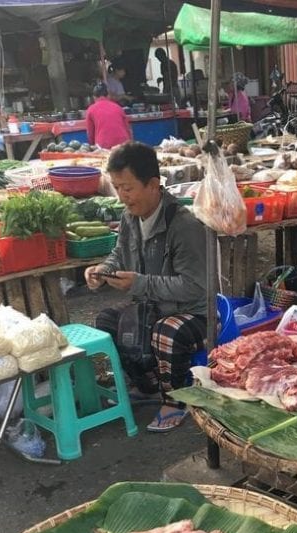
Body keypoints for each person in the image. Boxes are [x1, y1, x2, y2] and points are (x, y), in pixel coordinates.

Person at [84, 142, 207, 432]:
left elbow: (194, 287)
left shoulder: (183, 225)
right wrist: (103, 270)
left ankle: (176, 399)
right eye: (116, 187)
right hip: (152, 306)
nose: (122, 196)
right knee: (106, 321)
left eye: (127, 188)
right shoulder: (129, 217)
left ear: (153, 184)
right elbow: (119, 253)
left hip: (195, 313)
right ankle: (147, 385)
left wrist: (140, 283)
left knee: (167, 331)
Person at [85, 83, 132, 149]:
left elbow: (90, 134)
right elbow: (128, 129)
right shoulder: (118, 107)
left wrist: (93, 147)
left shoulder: (90, 109)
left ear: (94, 97)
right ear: (108, 96)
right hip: (123, 144)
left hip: (104, 145)